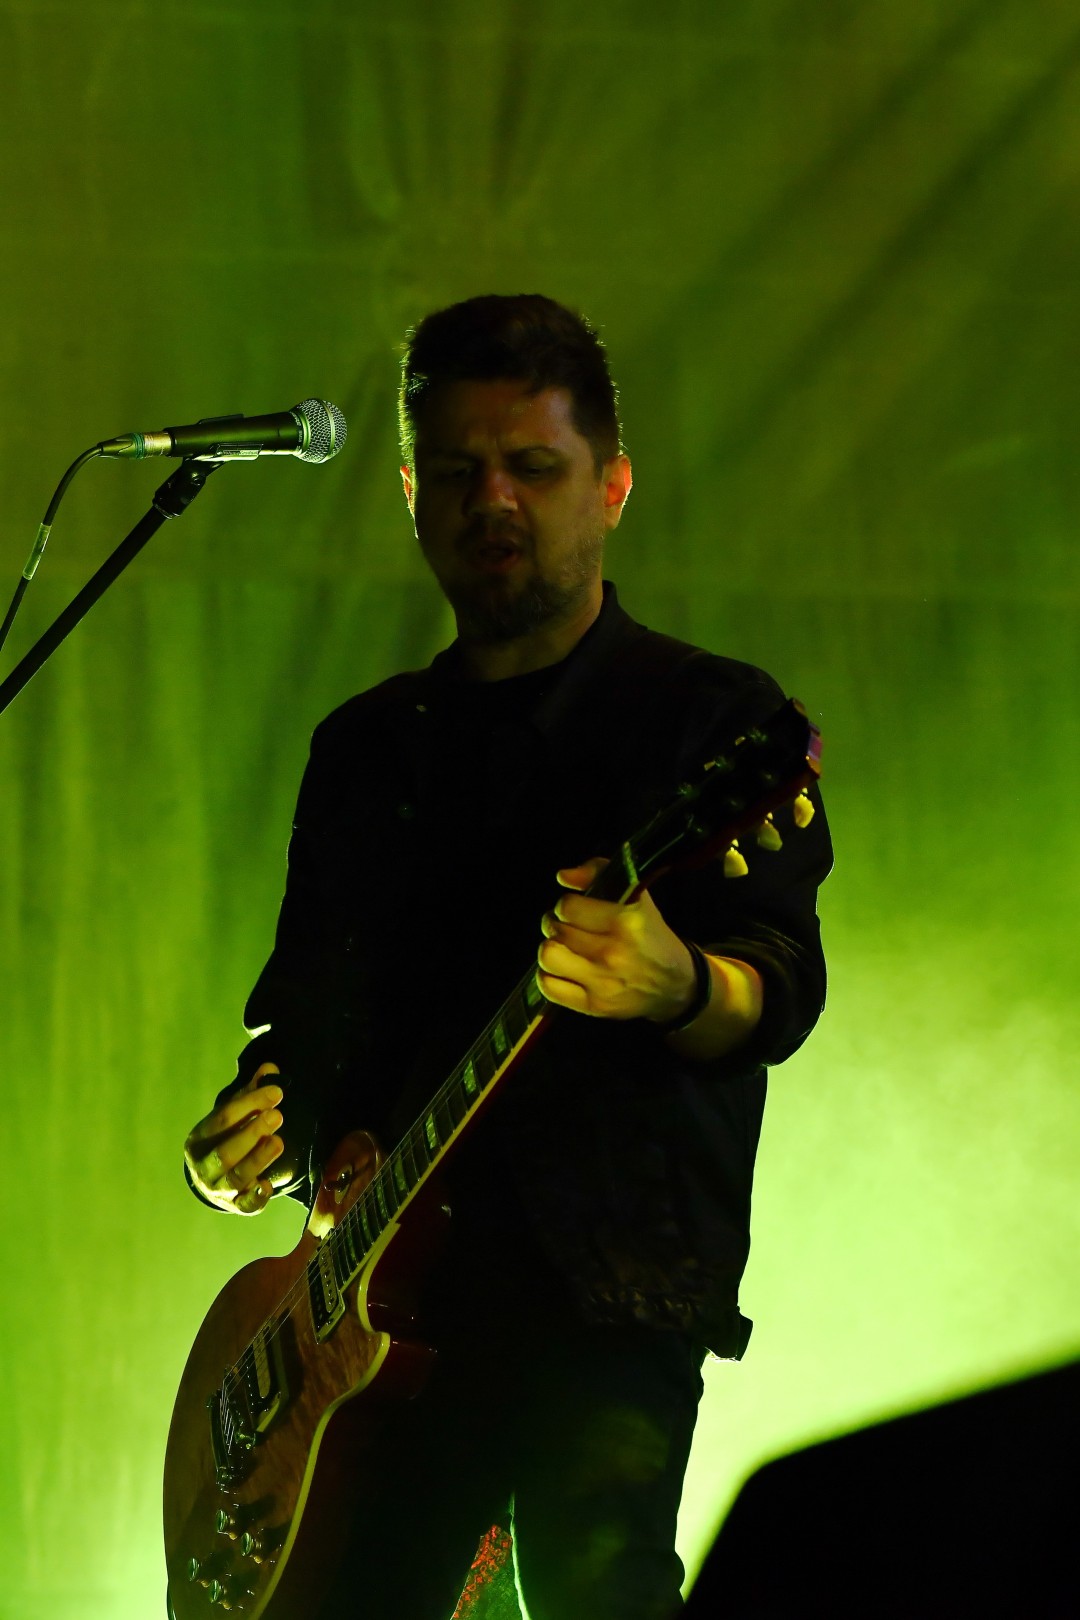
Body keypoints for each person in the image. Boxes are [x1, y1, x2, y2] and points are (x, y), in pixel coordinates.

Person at [183, 293, 831, 1620]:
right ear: (410, 494)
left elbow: (778, 979)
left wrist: (679, 983)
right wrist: (249, 1136)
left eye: (533, 465)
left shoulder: (707, 721)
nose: (494, 498)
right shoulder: (365, 750)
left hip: (600, 1299)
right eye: (458, 470)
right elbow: (302, 1025)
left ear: (613, 487)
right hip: (366, 1335)